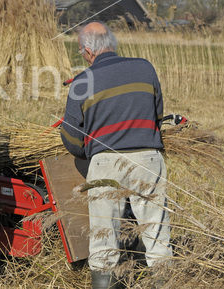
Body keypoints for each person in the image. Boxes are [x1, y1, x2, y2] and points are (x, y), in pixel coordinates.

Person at [60, 21, 172, 289]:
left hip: (105, 164)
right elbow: (157, 115)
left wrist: (91, 152)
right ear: (111, 43)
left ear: (88, 51)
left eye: (80, 52)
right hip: (148, 159)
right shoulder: (145, 68)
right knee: (157, 236)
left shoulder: (82, 81)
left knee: (103, 240)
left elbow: (71, 137)